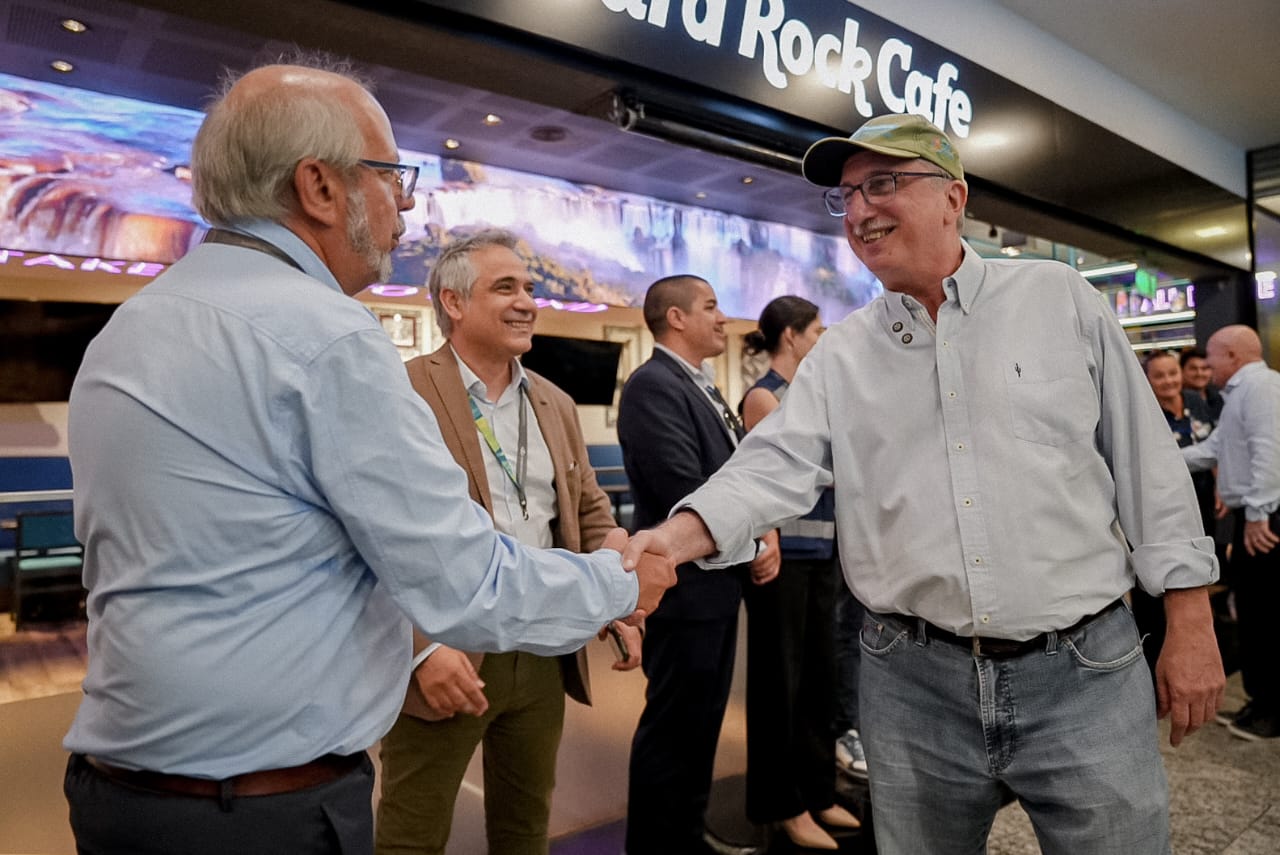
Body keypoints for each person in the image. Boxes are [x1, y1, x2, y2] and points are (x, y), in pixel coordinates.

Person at [61, 59, 673, 855]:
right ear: (320, 188)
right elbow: (464, 581)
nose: (406, 211)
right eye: (392, 178)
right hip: (261, 814)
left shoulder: (128, 330)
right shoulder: (327, 337)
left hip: (119, 796)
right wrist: (621, 580)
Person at [624, 113, 1225, 855]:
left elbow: (1148, 468)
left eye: (883, 183)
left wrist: (1191, 620)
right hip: (911, 685)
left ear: (954, 197)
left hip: (1083, 674)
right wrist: (668, 541)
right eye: (845, 195)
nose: (859, 210)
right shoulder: (844, 355)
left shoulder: (1059, 300)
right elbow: (769, 467)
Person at [375, 228, 644, 854]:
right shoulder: (401, 392)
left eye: (530, 288)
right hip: (447, 652)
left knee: (525, 829)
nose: (528, 301)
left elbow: (588, 511)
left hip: (544, 649)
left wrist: (615, 598)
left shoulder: (553, 401)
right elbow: (369, 535)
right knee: (411, 836)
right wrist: (420, 649)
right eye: (506, 288)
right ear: (453, 302)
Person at [618, 275, 748, 855]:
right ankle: (657, 845)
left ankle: (687, 835)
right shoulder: (654, 385)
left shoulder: (700, 384)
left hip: (715, 584)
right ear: (675, 317)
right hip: (685, 586)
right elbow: (682, 485)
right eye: (711, 307)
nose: (723, 318)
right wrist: (753, 535)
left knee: (700, 728)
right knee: (673, 729)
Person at [739, 296, 860, 850]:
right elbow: (800, 474)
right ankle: (781, 804)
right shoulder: (764, 397)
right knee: (779, 687)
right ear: (790, 336)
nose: (822, 339)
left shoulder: (817, 395)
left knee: (819, 679)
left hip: (825, 554)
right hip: (782, 557)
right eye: (816, 331)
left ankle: (817, 792)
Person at [1183, 324, 1280, 741]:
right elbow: (1213, 450)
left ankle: (1273, 710)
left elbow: (1270, 450)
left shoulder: (1259, 388)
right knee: (1256, 612)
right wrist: (1158, 458)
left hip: (1265, 518)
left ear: (1233, 357)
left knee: (1267, 615)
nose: (1206, 365)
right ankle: (1263, 701)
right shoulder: (1242, 392)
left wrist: (1259, 514)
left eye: (1212, 357)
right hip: (1256, 514)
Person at [1136, 350, 1218, 679]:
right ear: (1147, 380)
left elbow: (1214, 445)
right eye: (1160, 376)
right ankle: (1155, 664)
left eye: (1173, 374)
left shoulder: (1195, 403)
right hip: (1161, 513)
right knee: (1159, 590)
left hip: (1201, 503)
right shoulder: (1145, 414)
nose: (1169, 381)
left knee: (1198, 580)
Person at [1182, 346, 1226, 421]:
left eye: (1204, 368)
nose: (1199, 373)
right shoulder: (1178, 401)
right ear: (1181, 371)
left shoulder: (1220, 399)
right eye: (1193, 368)